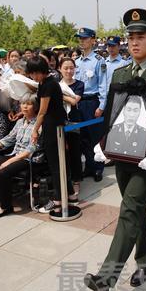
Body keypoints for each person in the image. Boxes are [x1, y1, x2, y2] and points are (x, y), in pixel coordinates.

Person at [84, 8, 146, 291]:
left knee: (130, 208)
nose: (135, 42)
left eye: (141, 37)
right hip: (123, 151)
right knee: (133, 206)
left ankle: (105, 277)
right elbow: (114, 115)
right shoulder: (120, 73)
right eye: (131, 38)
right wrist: (104, 143)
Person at [28, 56, 75, 213]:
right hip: (53, 124)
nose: (34, 76)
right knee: (58, 161)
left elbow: (42, 111)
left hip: (54, 126)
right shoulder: (44, 83)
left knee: (56, 163)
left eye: (36, 73)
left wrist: (35, 130)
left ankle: (59, 198)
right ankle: (69, 193)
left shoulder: (49, 84)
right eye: (31, 73)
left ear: (43, 71)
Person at [0, 95, 38, 218]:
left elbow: (32, 148)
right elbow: (9, 139)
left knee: (3, 172)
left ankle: (6, 206)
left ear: (35, 106)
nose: (25, 106)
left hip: (27, 158)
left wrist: (9, 161)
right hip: (14, 154)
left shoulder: (39, 124)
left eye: (29, 104)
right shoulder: (19, 122)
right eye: (23, 103)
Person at [75, 27, 107, 182]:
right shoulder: (76, 62)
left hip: (92, 102)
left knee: (95, 137)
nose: (82, 41)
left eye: (85, 38)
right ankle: (88, 166)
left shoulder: (99, 61)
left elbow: (103, 85)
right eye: (80, 38)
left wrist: (101, 106)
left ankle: (98, 168)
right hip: (79, 103)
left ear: (93, 40)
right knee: (83, 138)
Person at [59, 57, 84, 199]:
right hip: (60, 122)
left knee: (75, 151)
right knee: (63, 152)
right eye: (66, 68)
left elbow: (74, 101)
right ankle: (65, 180)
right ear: (60, 69)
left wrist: (59, 95)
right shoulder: (57, 84)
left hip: (74, 122)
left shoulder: (79, 84)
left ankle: (76, 180)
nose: (69, 71)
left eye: (71, 68)